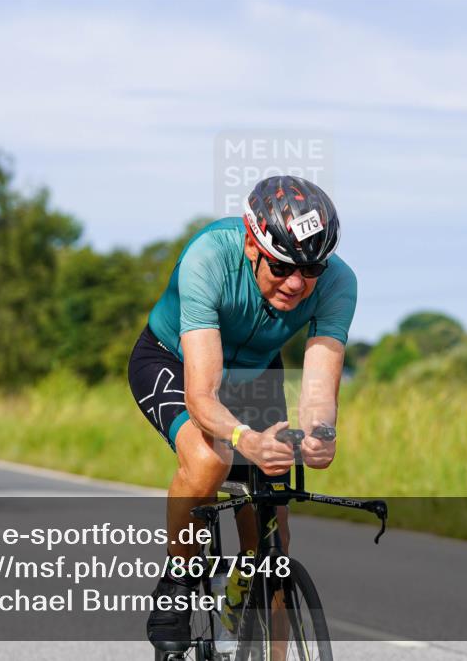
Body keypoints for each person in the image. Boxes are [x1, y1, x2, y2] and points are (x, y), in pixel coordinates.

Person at [127, 175, 357, 652]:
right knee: (211, 461)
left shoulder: (338, 282)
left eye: (311, 269)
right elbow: (203, 395)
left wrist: (321, 433)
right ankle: (177, 584)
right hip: (175, 361)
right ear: (253, 244)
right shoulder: (208, 259)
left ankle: (250, 615)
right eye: (282, 266)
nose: (297, 283)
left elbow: (318, 389)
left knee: (271, 534)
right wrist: (244, 439)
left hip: (253, 374)